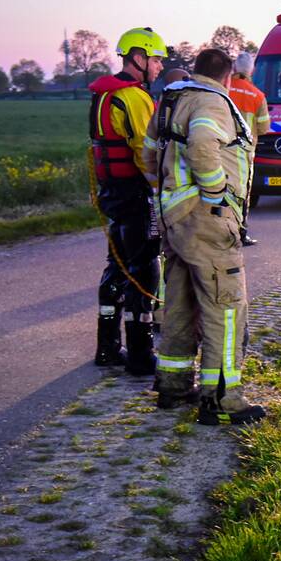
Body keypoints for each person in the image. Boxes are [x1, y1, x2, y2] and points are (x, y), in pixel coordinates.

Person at [144, 48, 266, 423]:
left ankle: (173, 386)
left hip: (176, 218)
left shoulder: (172, 99)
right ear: (228, 77)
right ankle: (222, 399)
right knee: (226, 307)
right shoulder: (213, 104)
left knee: (179, 303)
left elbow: (149, 155)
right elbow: (201, 146)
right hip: (208, 219)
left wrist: (170, 195)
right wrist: (215, 193)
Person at [88, 27, 167, 376]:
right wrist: (161, 190)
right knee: (144, 267)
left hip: (111, 193)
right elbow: (144, 151)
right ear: (138, 57)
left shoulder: (102, 95)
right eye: (156, 59)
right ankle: (140, 353)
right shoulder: (135, 98)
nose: (160, 66)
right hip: (136, 193)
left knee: (116, 264)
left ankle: (107, 348)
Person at [228, 52, 270, 246]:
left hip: (221, 148)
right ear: (251, 70)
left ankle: (223, 230)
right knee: (243, 193)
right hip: (244, 152)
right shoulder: (257, 95)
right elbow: (264, 127)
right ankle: (241, 232)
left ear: (235, 69)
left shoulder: (224, 89)